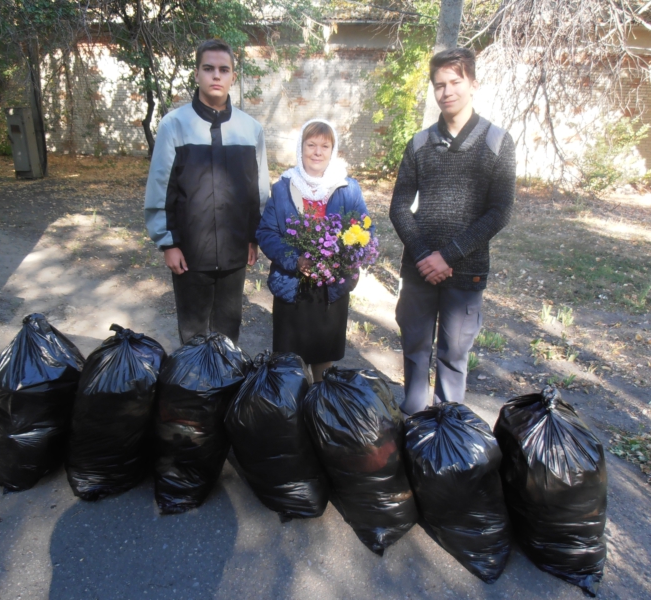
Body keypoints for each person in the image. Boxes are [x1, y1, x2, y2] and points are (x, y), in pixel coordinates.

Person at [389, 48, 516, 414]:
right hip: (418, 271)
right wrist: (423, 255)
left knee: (453, 359)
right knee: (414, 352)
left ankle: (448, 439)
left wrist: (447, 256)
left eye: (455, 82)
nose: (447, 92)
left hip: (465, 272)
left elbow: (499, 211)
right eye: (439, 85)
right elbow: (399, 206)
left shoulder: (497, 142)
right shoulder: (418, 143)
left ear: (473, 84)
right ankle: (412, 425)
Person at [144, 39, 269, 344]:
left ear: (233, 78)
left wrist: (255, 237)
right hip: (189, 252)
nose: (216, 76)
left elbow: (259, 190)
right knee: (193, 336)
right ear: (197, 74)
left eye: (223, 70)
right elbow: (161, 187)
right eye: (208, 68)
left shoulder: (250, 130)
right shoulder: (174, 125)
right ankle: (193, 392)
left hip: (235, 252)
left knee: (228, 334)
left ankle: (225, 391)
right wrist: (168, 243)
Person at [256, 119, 370, 382]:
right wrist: (295, 259)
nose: (317, 152)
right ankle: (295, 413)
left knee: (323, 363)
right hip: (293, 287)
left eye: (325, 146)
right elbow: (266, 232)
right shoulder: (284, 187)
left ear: (333, 150)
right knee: (291, 365)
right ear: (301, 148)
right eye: (311, 145)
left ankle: (320, 409)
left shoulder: (347, 188)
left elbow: (366, 232)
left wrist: (341, 260)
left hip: (330, 291)